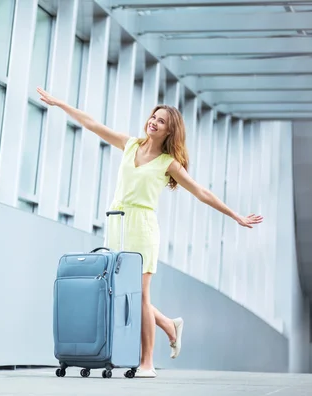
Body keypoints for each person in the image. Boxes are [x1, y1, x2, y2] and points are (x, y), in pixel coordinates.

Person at [37, 86, 263, 378]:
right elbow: (92, 124)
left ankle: (147, 363)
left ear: (170, 131)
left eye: (161, 121)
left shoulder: (168, 164)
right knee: (119, 289)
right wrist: (60, 103)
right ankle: (168, 324)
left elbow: (201, 192)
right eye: (153, 117)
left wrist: (235, 215)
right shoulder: (130, 144)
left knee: (141, 295)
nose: (153, 122)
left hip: (142, 227)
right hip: (117, 222)